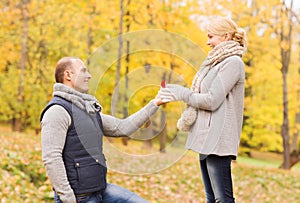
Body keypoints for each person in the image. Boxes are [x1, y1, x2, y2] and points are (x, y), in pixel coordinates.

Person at [40, 57, 164, 203]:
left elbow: (122, 127)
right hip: (78, 197)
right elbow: (51, 158)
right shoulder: (57, 111)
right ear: (68, 75)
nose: (89, 76)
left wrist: (155, 103)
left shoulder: (87, 108)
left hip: (100, 190)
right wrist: (67, 198)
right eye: (83, 71)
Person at [159, 16, 247, 202]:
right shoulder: (215, 62)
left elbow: (212, 100)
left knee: (222, 199)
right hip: (206, 138)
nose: (208, 42)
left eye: (211, 37)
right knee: (211, 198)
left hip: (219, 140)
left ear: (225, 36)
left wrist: (181, 94)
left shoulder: (233, 63)